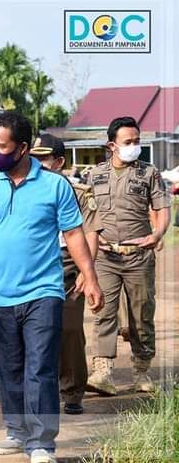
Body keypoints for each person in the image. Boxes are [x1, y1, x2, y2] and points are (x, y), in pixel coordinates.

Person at [0, 111, 103, 463]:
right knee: (8, 368)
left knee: (40, 368)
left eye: (2, 147)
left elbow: (74, 234)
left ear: (22, 148)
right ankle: (17, 432)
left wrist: (90, 276)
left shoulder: (54, 186)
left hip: (43, 292)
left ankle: (41, 443)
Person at [85, 116, 171, 396]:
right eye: (128, 142)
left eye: (137, 141)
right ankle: (102, 373)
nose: (135, 146)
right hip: (106, 256)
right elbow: (88, 218)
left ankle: (141, 372)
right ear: (112, 145)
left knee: (141, 314)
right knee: (103, 312)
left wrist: (157, 235)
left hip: (138, 256)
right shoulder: (94, 175)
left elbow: (162, 208)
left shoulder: (149, 173)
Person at [31, 134, 102, 415]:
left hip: (68, 264)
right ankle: (38, 391)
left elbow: (90, 232)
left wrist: (88, 271)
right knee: (36, 331)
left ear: (59, 162)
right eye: (33, 158)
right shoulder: (21, 189)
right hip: (33, 265)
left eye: (44, 159)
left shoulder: (80, 193)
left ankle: (72, 391)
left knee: (69, 329)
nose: (38, 164)